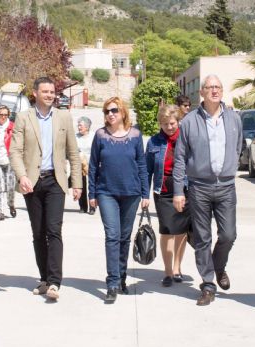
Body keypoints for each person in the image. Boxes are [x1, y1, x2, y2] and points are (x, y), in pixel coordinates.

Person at [9, 77, 82, 302]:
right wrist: (21, 175)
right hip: (32, 182)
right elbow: (15, 151)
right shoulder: (23, 117)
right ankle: (43, 278)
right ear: (35, 93)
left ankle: (54, 282)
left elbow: (73, 152)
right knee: (38, 232)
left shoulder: (64, 117)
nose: (50, 95)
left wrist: (76, 182)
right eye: (45, 91)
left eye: (52, 92)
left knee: (53, 230)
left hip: (55, 181)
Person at [172, 74, 243, 306]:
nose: (214, 90)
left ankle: (218, 266)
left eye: (218, 87)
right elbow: (180, 157)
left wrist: (230, 167)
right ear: (201, 92)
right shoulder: (190, 121)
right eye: (210, 87)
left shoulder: (234, 118)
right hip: (199, 187)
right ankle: (208, 284)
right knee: (202, 238)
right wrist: (178, 190)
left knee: (229, 235)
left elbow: (238, 146)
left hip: (226, 186)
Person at [88, 96, 149, 303]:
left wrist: (145, 193)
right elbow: (93, 166)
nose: (110, 114)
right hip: (107, 193)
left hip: (131, 193)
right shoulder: (100, 136)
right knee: (112, 236)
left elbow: (141, 165)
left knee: (124, 237)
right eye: (106, 111)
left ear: (123, 112)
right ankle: (112, 282)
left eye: (114, 110)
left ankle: (122, 276)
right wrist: (92, 194)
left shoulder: (135, 136)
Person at [146, 103, 192, 287]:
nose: (169, 127)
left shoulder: (187, 139)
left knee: (181, 231)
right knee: (166, 230)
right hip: (163, 191)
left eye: (172, 123)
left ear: (178, 121)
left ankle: (177, 268)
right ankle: (167, 272)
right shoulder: (154, 142)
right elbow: (146, 169)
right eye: (165, 124)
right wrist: (145, 194)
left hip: (185, 189)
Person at [75, 116, 95, 214]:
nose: (79, 127)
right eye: (78, 125)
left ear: (87, 127)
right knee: (80, 185)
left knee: (92, 186)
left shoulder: (93, 136)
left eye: (81, 125)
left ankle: (92, 207)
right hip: (80, 164)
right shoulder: (76, 136)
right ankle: (82, 207)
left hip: (92, 163)